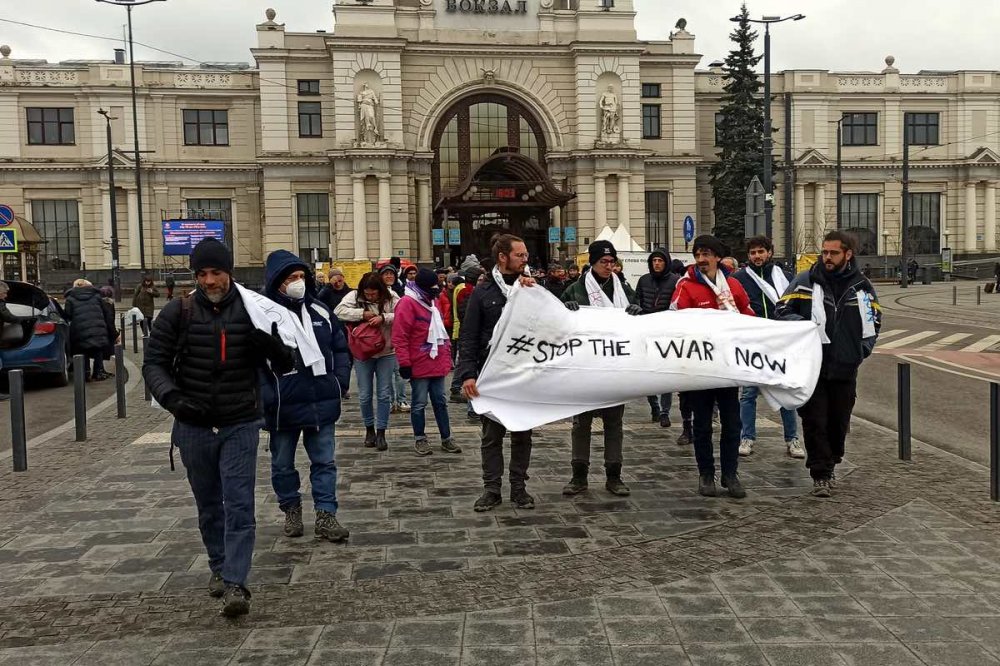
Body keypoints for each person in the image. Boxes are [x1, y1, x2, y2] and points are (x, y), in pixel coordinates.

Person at [143, 237, 296, 617]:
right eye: (202, 274)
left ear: (229, 273)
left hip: (240, 421)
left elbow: (287, 360)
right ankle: (218, 565)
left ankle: (236, 582)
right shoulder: (177, 312)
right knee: (210, 505)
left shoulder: (253, 311)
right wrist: (173, 399)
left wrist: (274, 347)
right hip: (193, 424)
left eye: (216, 272)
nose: (210, 281)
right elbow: (154, 364)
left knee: (240, 504)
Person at [777, 230, 881, 497]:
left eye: (833, 252)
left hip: (846, 368)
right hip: (813, 368)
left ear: (848, 254)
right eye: (824, 252)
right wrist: (806, 328)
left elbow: (873, 324)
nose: (827, 257)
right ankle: (820, 474)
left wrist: (861, 351)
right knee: (815, 422)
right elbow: (782, 311)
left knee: (838, 423)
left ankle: (832, 461)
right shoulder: (804, 282)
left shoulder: (861, 286)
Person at [260, 250, 351, 543]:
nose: (298, 282)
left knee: (324, 462)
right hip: (282, 405)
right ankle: (291, 508)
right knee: (282, 464)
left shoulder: (320, 311)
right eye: (291, 278)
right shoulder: (263, 316)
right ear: (277, 282)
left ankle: (326, 514)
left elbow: (339, 347)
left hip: (320, 399)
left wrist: (340, 381)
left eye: (301, 276)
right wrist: (266, 395)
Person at [670, 235, 755, 499]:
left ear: (718, 257)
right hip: (700, 369)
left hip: (728, 368)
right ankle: (706, 474)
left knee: (732, 424)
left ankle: (731, 474)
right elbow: (673, 322)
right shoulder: (686, 286)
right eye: (697, 254)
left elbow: (749, 317)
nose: (701, 259)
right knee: (702, 426)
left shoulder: (733, 285)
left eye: (706, 254)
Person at [460, 233, 537, 511]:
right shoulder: (482, 292)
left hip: (522, 375)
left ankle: (519, 487)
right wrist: (468, 374)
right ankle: (491, 488)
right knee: (491, 436)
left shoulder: (531, 289)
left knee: (522, 432)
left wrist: (537, 292)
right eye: (520, 255)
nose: (525, 259)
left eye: (526, 255)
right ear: (503, 257)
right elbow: (468, 336)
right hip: (491, 375)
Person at [561, 240, 640, 497]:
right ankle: (579, 475)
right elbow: (557, 324)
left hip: (614, 368)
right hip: (584, 369)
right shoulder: (575, 289)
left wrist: (638, 312)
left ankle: (614, 475)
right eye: (603, 262)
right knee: (581, 423)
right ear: (592, 264)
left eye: (612, 262)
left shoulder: (624, 289)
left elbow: (641, 324)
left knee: (614, 423)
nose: (609, 267)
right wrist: (565, 310)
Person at [733, 235, 804, 459]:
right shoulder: (740, 278)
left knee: (784, 391)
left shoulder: (784, 277)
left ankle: (792, 439)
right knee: (748, 394)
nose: (757, 256)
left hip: (779, 342)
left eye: (761, 252)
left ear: (769, 252)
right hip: (752, 343)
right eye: (753, 253)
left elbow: (796, 305)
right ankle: (747, 437)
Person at [393, 268, 460, 457]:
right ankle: (420, 438)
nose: (436, 289)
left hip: (436, 361)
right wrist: (404, 363)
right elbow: (400, 336)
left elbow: (442, 335)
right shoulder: (407, 303)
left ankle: (447, 438)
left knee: (441, 402)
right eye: (432, 287)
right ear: (422, 287)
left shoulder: (433, 301)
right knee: (419, 403)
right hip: (418, 362)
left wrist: (447, 358)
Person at [335, 272, 400, 451]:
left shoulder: (392, 297)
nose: (370, 296)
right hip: (362, 352)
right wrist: (361, 314)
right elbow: (339, 311)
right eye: (367, 294)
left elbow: (402, 314)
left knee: (384, 394)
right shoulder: (354, 296)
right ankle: (369, 429)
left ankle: (381, 432)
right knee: (364, 395)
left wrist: (384, 317)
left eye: (374, 294)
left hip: (387, 352)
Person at [636, 248, 679, 427]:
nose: (657, 263)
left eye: (660, 260)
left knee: (665, 376)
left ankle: (664, 412)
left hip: (666, 333)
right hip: (646, 331)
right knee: (647, 374)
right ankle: (654, 405)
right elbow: (636, 299)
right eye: (654, 261)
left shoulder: (676, 281)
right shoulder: (644, 280)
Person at [64, 278, 115, 382]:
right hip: (97, 327)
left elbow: (68, 315)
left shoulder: (70, 299)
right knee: (98, 350)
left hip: (80, 329)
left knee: (84, 351)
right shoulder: (97, 296)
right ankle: (98, 372)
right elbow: (105, 312)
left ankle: (86, 373)